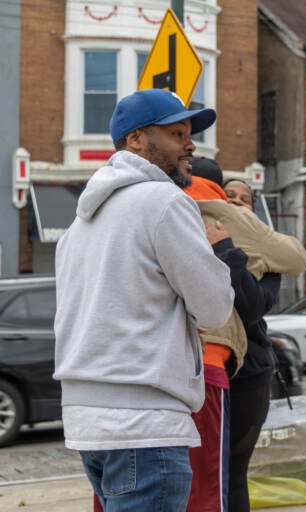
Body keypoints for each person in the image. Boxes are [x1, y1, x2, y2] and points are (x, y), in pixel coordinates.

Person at [54, 88, 235, 511]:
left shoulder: (78, 226)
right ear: (136, 139)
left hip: (89, 421)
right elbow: (215, 307)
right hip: (145, 423)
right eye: (177, 133)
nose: (190, 145)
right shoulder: (164, 201)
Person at [192, 160, 306, 512]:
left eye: (245, 200)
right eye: (230, 196)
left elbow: (256, 305)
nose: (237, 203)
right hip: (212, 364)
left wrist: (233, 251)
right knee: (207, 469)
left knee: (232, 469)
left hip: (251, 368)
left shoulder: (262, 252)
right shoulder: (210, 227)